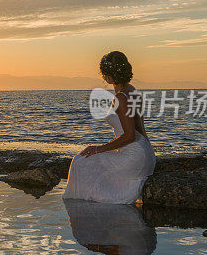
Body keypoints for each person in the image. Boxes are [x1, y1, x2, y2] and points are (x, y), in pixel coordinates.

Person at [63, 51, 156, 204]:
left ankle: (84, 210)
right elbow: (140, 130)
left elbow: (130, 136)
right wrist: (149, 155)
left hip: (134, 157)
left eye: (104, 73)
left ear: (108, 75)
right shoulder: (132, 90)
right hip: (145, 154)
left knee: (80, 161)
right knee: (85, 159)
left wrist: (99, 148)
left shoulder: (120, 98)